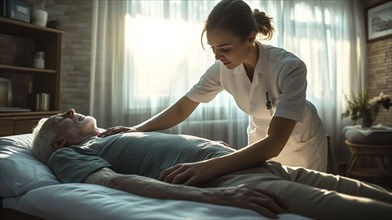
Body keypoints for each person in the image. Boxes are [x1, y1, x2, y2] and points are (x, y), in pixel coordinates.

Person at [99, 0, 328, 187]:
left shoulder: (289, 67)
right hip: (260, 139)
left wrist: (211, 166)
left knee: (306, 197)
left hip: (299, 142)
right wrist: (136, 129)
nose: (217, 56)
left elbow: (276, 141)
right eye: (213, 48)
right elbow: (183, 107)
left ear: (250, 38)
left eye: (225, 48)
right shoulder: (222, 69)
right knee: (269, 193)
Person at [32, 109, 391, 220]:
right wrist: (220, 198)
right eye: (57, 119)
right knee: (355, 209)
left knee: (371, 192)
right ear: (59, 141)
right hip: (229, 176)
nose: (68, 111)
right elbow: (114, 183)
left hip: (249, 161)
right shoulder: (68, 154)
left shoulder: (107, 136)